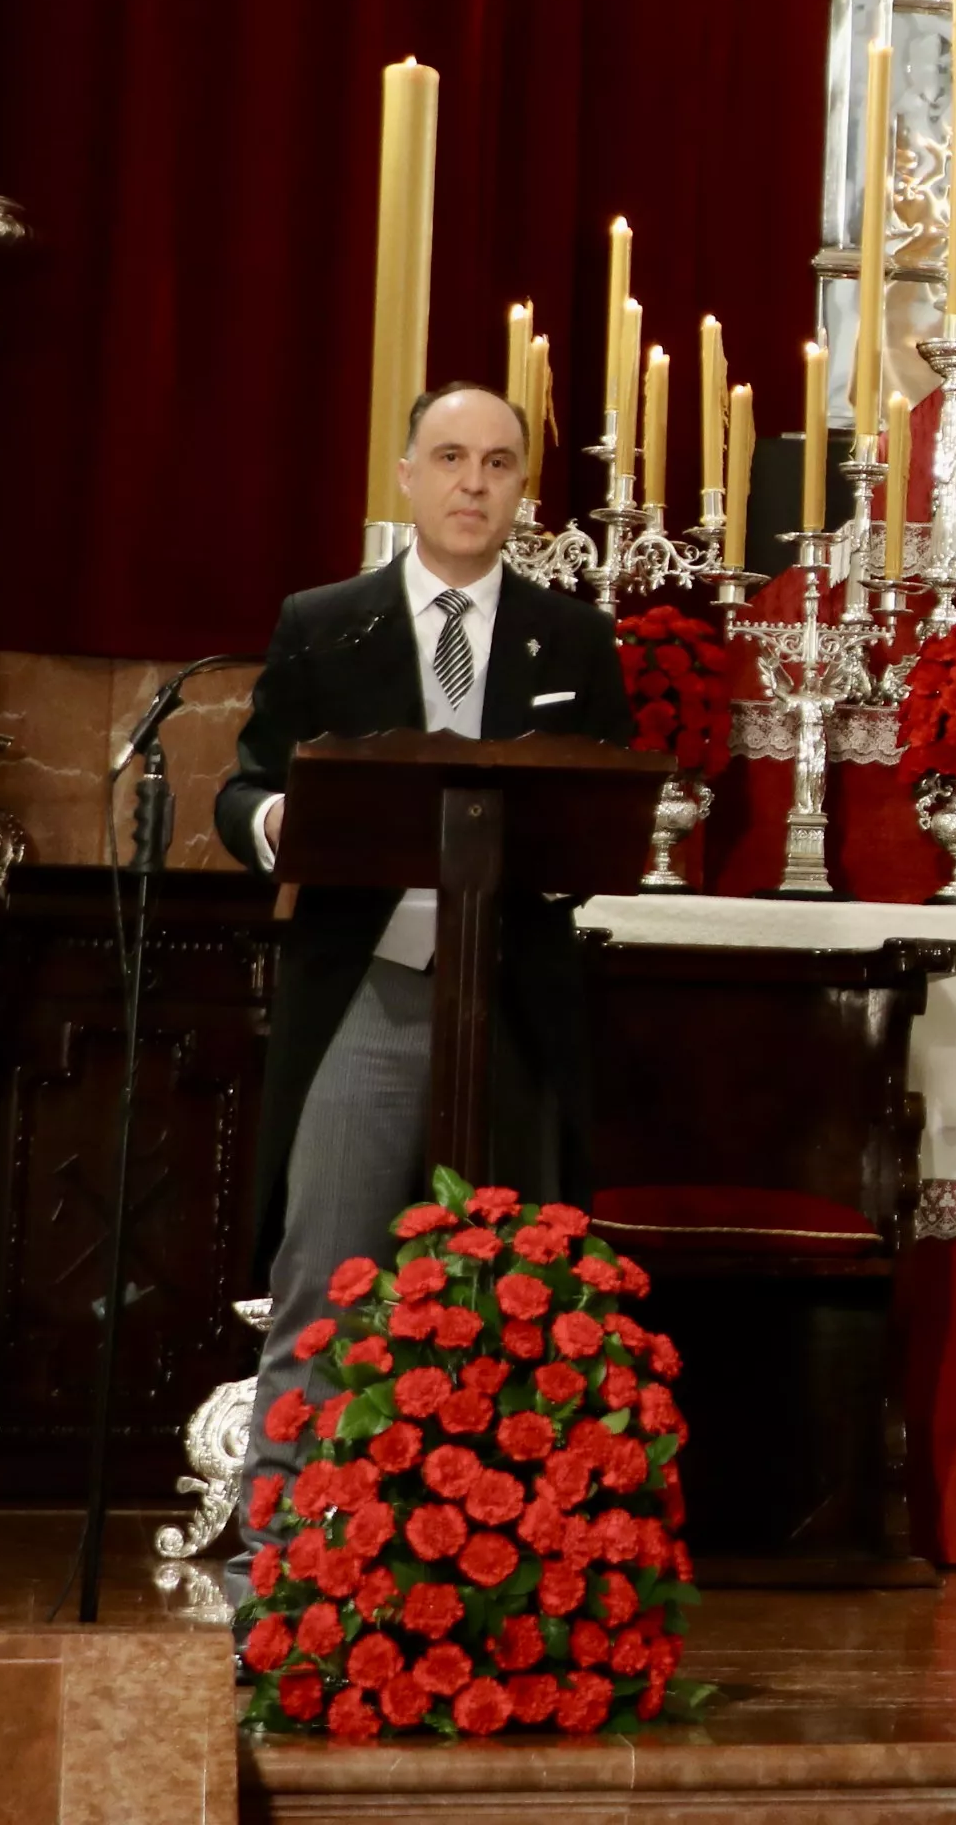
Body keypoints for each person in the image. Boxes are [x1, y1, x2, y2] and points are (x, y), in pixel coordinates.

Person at [212, 382, 632, 1588]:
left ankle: (511, 1570)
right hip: (370, 989)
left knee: (523, 1291)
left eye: (498, 462)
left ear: (521, 491)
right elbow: (245, 787)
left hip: (511, 998)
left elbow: (600, 801)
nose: (472, 482)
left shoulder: (572, 637)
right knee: (325, 1277)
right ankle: (278, 1573)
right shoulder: (326, 622)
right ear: (404, 474)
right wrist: (284, 818)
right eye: (449, 457)